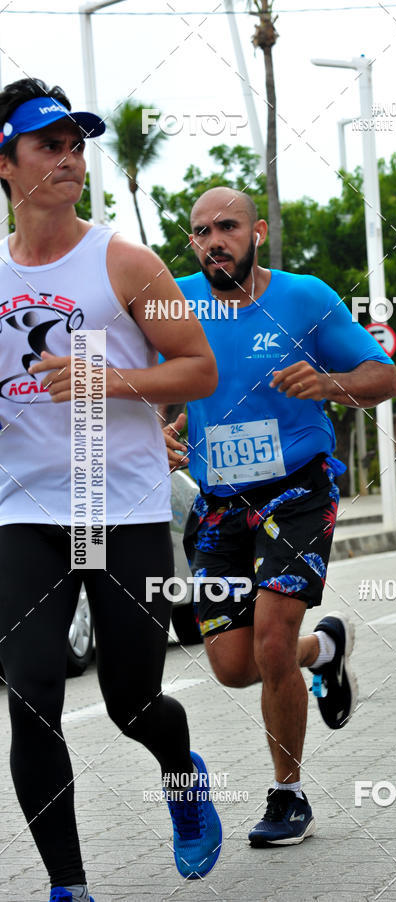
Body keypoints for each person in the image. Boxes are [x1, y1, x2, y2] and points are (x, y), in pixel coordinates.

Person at [0, 78, 222, 902]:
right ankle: (70, 886)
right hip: (23, 511)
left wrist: (109, 380)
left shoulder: (125, 262)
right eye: (47, 145)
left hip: (119, 507)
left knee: (133, 702)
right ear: (5, 163)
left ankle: (182, 774)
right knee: (31, 698)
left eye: (75, 146)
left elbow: (198, 368)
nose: (68, 159)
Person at [161, 185, 396, 847]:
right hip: (218, 502)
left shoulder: (305, 298)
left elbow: (386, 378)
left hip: (297, 491)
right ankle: (323, 650)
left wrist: (327, 383)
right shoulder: (174, 303)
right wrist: (158, 426)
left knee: (270, 642)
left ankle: (288, 794)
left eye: (228, 227)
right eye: (202, 232)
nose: (215, 241)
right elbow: (149, 385)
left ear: (258, 232)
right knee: (234, 665)